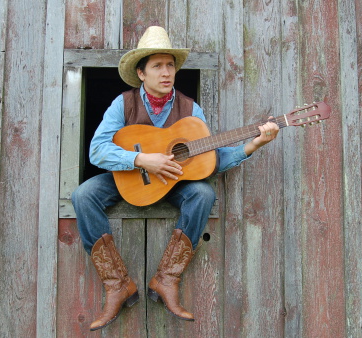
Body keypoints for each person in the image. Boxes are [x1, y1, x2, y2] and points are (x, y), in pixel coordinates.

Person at [71, 26, 279, 331]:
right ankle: (117, 285)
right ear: (141, 73)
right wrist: (141, 159)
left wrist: (254, 144)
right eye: (157, 66)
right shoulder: (123, 104)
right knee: (82, 195)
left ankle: (166, 279)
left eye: (170, 65)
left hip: (174, 184)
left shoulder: (190, 110)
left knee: (203, 194)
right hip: (130, 178)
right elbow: (97, 151)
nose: (166, 72)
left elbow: (210, 161)